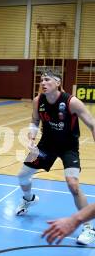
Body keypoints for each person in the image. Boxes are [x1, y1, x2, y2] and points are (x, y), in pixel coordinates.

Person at [16, 69, 95, 245]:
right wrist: (31, 138)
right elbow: (35, 120)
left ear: (58, 83)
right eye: (42, 80)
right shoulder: (38, 101)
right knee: (22, 175)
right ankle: (29, 199)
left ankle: (89, 228)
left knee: (73, 185)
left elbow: (92, 123)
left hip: (69, 147)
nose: (43, 83)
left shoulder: (71, 102)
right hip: (46, 146)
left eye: (47, 80)